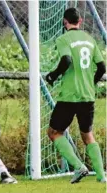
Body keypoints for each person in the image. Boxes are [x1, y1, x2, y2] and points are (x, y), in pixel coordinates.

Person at [45, 8, 106, 184]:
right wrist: (90, 83)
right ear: (80, 21)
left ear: (65, 22)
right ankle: (101, 176)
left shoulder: (63, 39)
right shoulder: (90, 39)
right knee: (88, 135)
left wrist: (53, 75)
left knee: (54, 132)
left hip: (69, 96)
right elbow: (102, 68)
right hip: (87, 96)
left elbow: (66, 60)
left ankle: (79, 167)